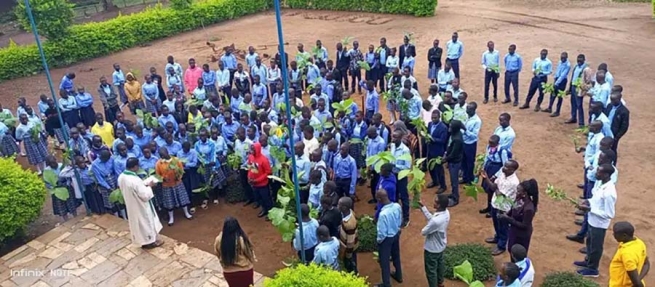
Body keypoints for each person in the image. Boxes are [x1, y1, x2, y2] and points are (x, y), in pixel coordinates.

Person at [575, 164, 617, 277]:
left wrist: (590, 209)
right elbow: (596, 200)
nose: (596, 174)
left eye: (599, 172)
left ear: (606, 175)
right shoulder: (601, 183)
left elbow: (609, 214)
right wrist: (588, 201)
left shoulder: (609, 193)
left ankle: (593, 269)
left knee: (596, 246)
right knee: (589, 242)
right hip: (592, 220)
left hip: (599, 224)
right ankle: (588, 261)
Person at [118, 157, 164, 248]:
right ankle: (150, 241)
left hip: (131, 204)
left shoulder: (121, 177)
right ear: (135, 167)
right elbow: (145, 195)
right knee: (146, 222)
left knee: (138, 225)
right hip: (141, 205)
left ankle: (143, 241)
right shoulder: (135, 180)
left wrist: (143, 184)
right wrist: (150, 186)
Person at [482, 160, 520, 256]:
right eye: (504, 166)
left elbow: (500, 195)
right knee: (495, 223)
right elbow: (494, 186)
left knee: (503, 227)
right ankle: (497, 238)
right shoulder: (503, 174)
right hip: (495, 203)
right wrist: (486, 178)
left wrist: (496, 189)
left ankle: (501, 246)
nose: (504, 168)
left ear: (512, 170)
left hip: (503, 208)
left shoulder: (514, 182)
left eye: (507, 167)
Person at [418, 194, 450, 287]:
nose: (433, 202)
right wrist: (424, 208)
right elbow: (433, 220)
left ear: (439, 205)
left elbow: (423, 232)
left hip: (432, 250)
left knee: (431, 271)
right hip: (441, 246)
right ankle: (440, 283)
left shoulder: (436, 221)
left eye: (435, 201)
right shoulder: (446, 213)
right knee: (440, 265)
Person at [155, 147, 193, 226]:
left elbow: (181, 170)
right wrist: (163, 179)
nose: (162, 157)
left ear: (167, 152)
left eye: (163, 155)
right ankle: (171, 218)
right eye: (160, 155)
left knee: (182, 199)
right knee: (169, 202)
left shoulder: (176, 160)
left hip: (177, 183)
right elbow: (158, 175)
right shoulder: (159, 163)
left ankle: (186, 213)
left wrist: (178, 177)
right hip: (166, 185)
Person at [214, 217, 256, 287]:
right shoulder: (241, 239)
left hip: (229, 272)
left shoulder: (219, 239)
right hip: (244, 270)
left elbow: (217, 253)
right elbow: (249, 253)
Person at [500, 179, 538, 254]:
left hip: (521, 235)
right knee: (511, 249)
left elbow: (524, 225)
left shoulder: (529, 208)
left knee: (517, 254)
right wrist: (506, 214)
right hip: (514, 230)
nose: (516, 192)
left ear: (525, 193)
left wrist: (508, 219)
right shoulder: (519, 198)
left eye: (518, 191)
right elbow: (513, 208)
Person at [375, 189, 403, 287]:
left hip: (386, 239)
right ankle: (399, 275)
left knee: (384, 261)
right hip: (396, 234)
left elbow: (382, 232)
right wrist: (398, 228)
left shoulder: (383, 214)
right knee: (396, 255)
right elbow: (400, 219)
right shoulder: (397, 206)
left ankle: (386, 284)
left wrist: (379, 242)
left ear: (379, 199)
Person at [609, 221, 650, 287]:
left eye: (615, 233)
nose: (613, 234)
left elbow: (637, 283)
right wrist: (638, 280)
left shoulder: (627, 254)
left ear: (624, 235)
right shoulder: (639, 243)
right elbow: (646, 264)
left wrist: (637, 282)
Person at [565, 54, 594, 127]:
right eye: (578, 60)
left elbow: (589, 81)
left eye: (580, 60)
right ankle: (573, 117)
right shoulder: (576, 66)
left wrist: (584, 88)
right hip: (574, 87)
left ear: (584, 60)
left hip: (579, 88)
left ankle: (581, 123)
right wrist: (570, 87)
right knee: (573, 103)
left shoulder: (586, 69)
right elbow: (572, 77)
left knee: (579, 105)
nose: (579, 61)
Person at [390, 130, 411, 228]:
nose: (393, 139)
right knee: (394, 196)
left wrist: (395, 165)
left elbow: (407, 167)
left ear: (400, 138)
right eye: (392, 136)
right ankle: (396, 215)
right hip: (393, 175)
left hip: (401, 177)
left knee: (404, 197)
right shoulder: (393, 146)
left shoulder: (405, 150)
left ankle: (406, 218)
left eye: (395, 137)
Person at [248, 142, 273, 218]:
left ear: (257, 149)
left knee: (266, 199)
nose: (251, 151)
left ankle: (270, 213)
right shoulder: (251, 157)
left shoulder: (264, 160)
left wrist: (258, 180)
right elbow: (250, 168)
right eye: (251, 149)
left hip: (263, 184)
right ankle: (264, 209)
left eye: (253, 149)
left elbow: (268, 172)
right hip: (254, 183)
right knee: (259, 198)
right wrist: (249, 177)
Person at [543, 52, 571, 117]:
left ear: (566, 58)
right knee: (552, 93)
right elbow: (558, 70)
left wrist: (557, 83)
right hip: (557, 79)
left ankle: (557, 111)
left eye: (563, 58)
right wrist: (555, 78)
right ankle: (550, 107)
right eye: (561, 58)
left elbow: (563, 75)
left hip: (562, 81)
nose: (562, 59)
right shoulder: (560, 62)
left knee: (559, 96)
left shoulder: (568, 65)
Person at [605, 92, 629, 161]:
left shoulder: (624, 111)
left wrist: (617, 137)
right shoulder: (609, 106)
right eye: (611, 99)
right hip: (605, 131)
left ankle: (613, 164)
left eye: (614, 100)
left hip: (614, 134)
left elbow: (624, 126)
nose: (612, 102)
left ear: (619, 99)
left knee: (612, 150)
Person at [445, 120, 464, 207]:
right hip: (451, 161)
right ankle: (453, 193)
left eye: (451, 127)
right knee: (453, 180)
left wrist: (445, 159)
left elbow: (453, 154)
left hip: (454, 162)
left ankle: (455, 198)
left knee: (454, 180)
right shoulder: (455, 134)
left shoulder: (457, 139)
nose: (449, 128)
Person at [338, 197, 359, 274]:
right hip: (348, 247)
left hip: (349, 250)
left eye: (339, 205)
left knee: (350, 265)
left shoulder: (350, 224)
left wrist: (348, 256)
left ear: (344, 207)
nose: (337, 206)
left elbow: (350, 242)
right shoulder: (349, 212)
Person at [462, 102, 481, 185]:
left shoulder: (477, 121)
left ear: (474, 110)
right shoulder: (466, 116)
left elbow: (474, 136)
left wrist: (465, 130)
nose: (467, 110)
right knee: (463, 161)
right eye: (467, 108)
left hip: (470, 144)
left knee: (470, 162)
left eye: (469, 109)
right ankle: (465, 177)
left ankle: (470, 179)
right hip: (463, 142)